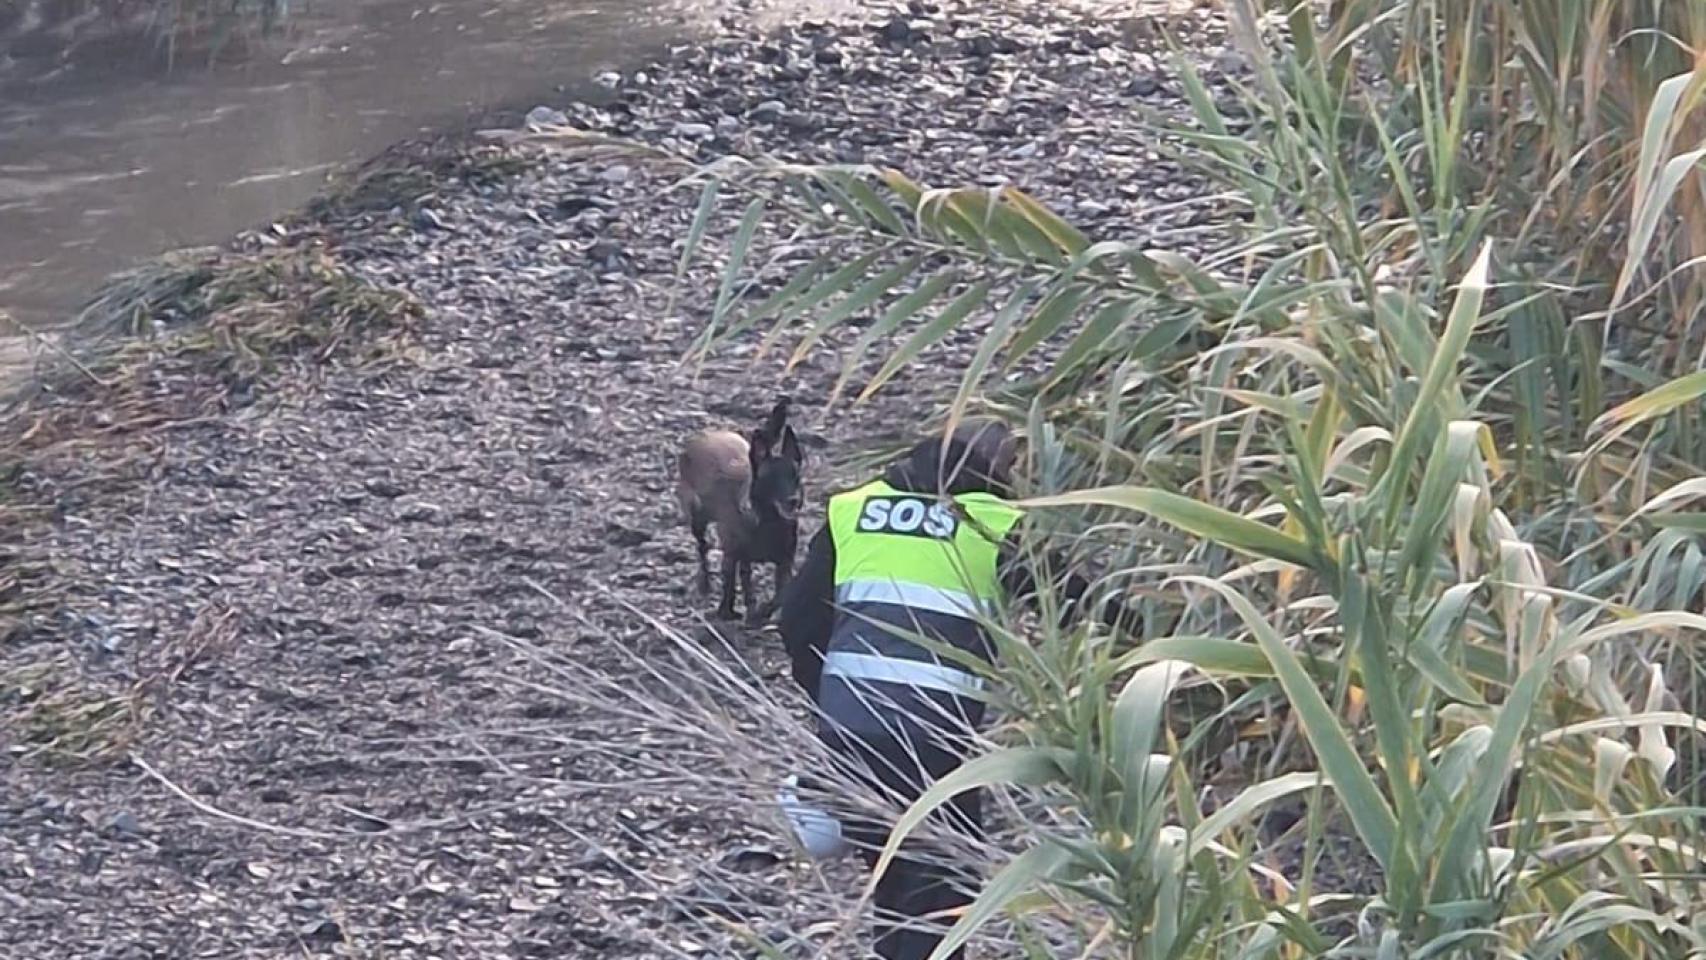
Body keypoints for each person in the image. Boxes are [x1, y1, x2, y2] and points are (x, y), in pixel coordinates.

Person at [777, 419, 1129, 960]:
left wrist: (828, 709)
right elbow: (1083, 602)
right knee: (943, 888)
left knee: (892, 877)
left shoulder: (851, 510)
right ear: (991, 472)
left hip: (851, 730)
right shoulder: (993, 525)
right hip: (936, 739)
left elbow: (798, 623)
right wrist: (1160, 627)